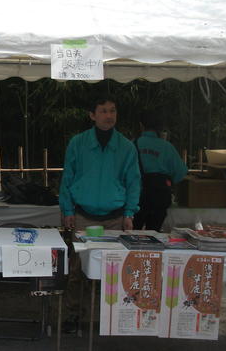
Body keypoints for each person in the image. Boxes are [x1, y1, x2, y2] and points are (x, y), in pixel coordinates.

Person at [59, 95, 141, 330]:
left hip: (115, 218)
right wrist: (67, 209)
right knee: (77, 270)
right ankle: (74, 315)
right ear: (92, 115)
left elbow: (134, 181)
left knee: (114, 270)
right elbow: (68, 178)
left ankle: (111, 318)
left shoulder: (126, 147)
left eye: (112, 110)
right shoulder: (78, 143)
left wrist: (129, 213)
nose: (109, 115)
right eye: (103, 111)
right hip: (83, 216)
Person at [133, 110, 188, 231]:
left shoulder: (132, 145)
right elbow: (181, 172)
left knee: (133, 232)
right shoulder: (167, 147)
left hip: (137, 197)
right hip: (161, 197)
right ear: (159, 127)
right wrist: (169, 181)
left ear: (141, 125)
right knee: (153, 233)